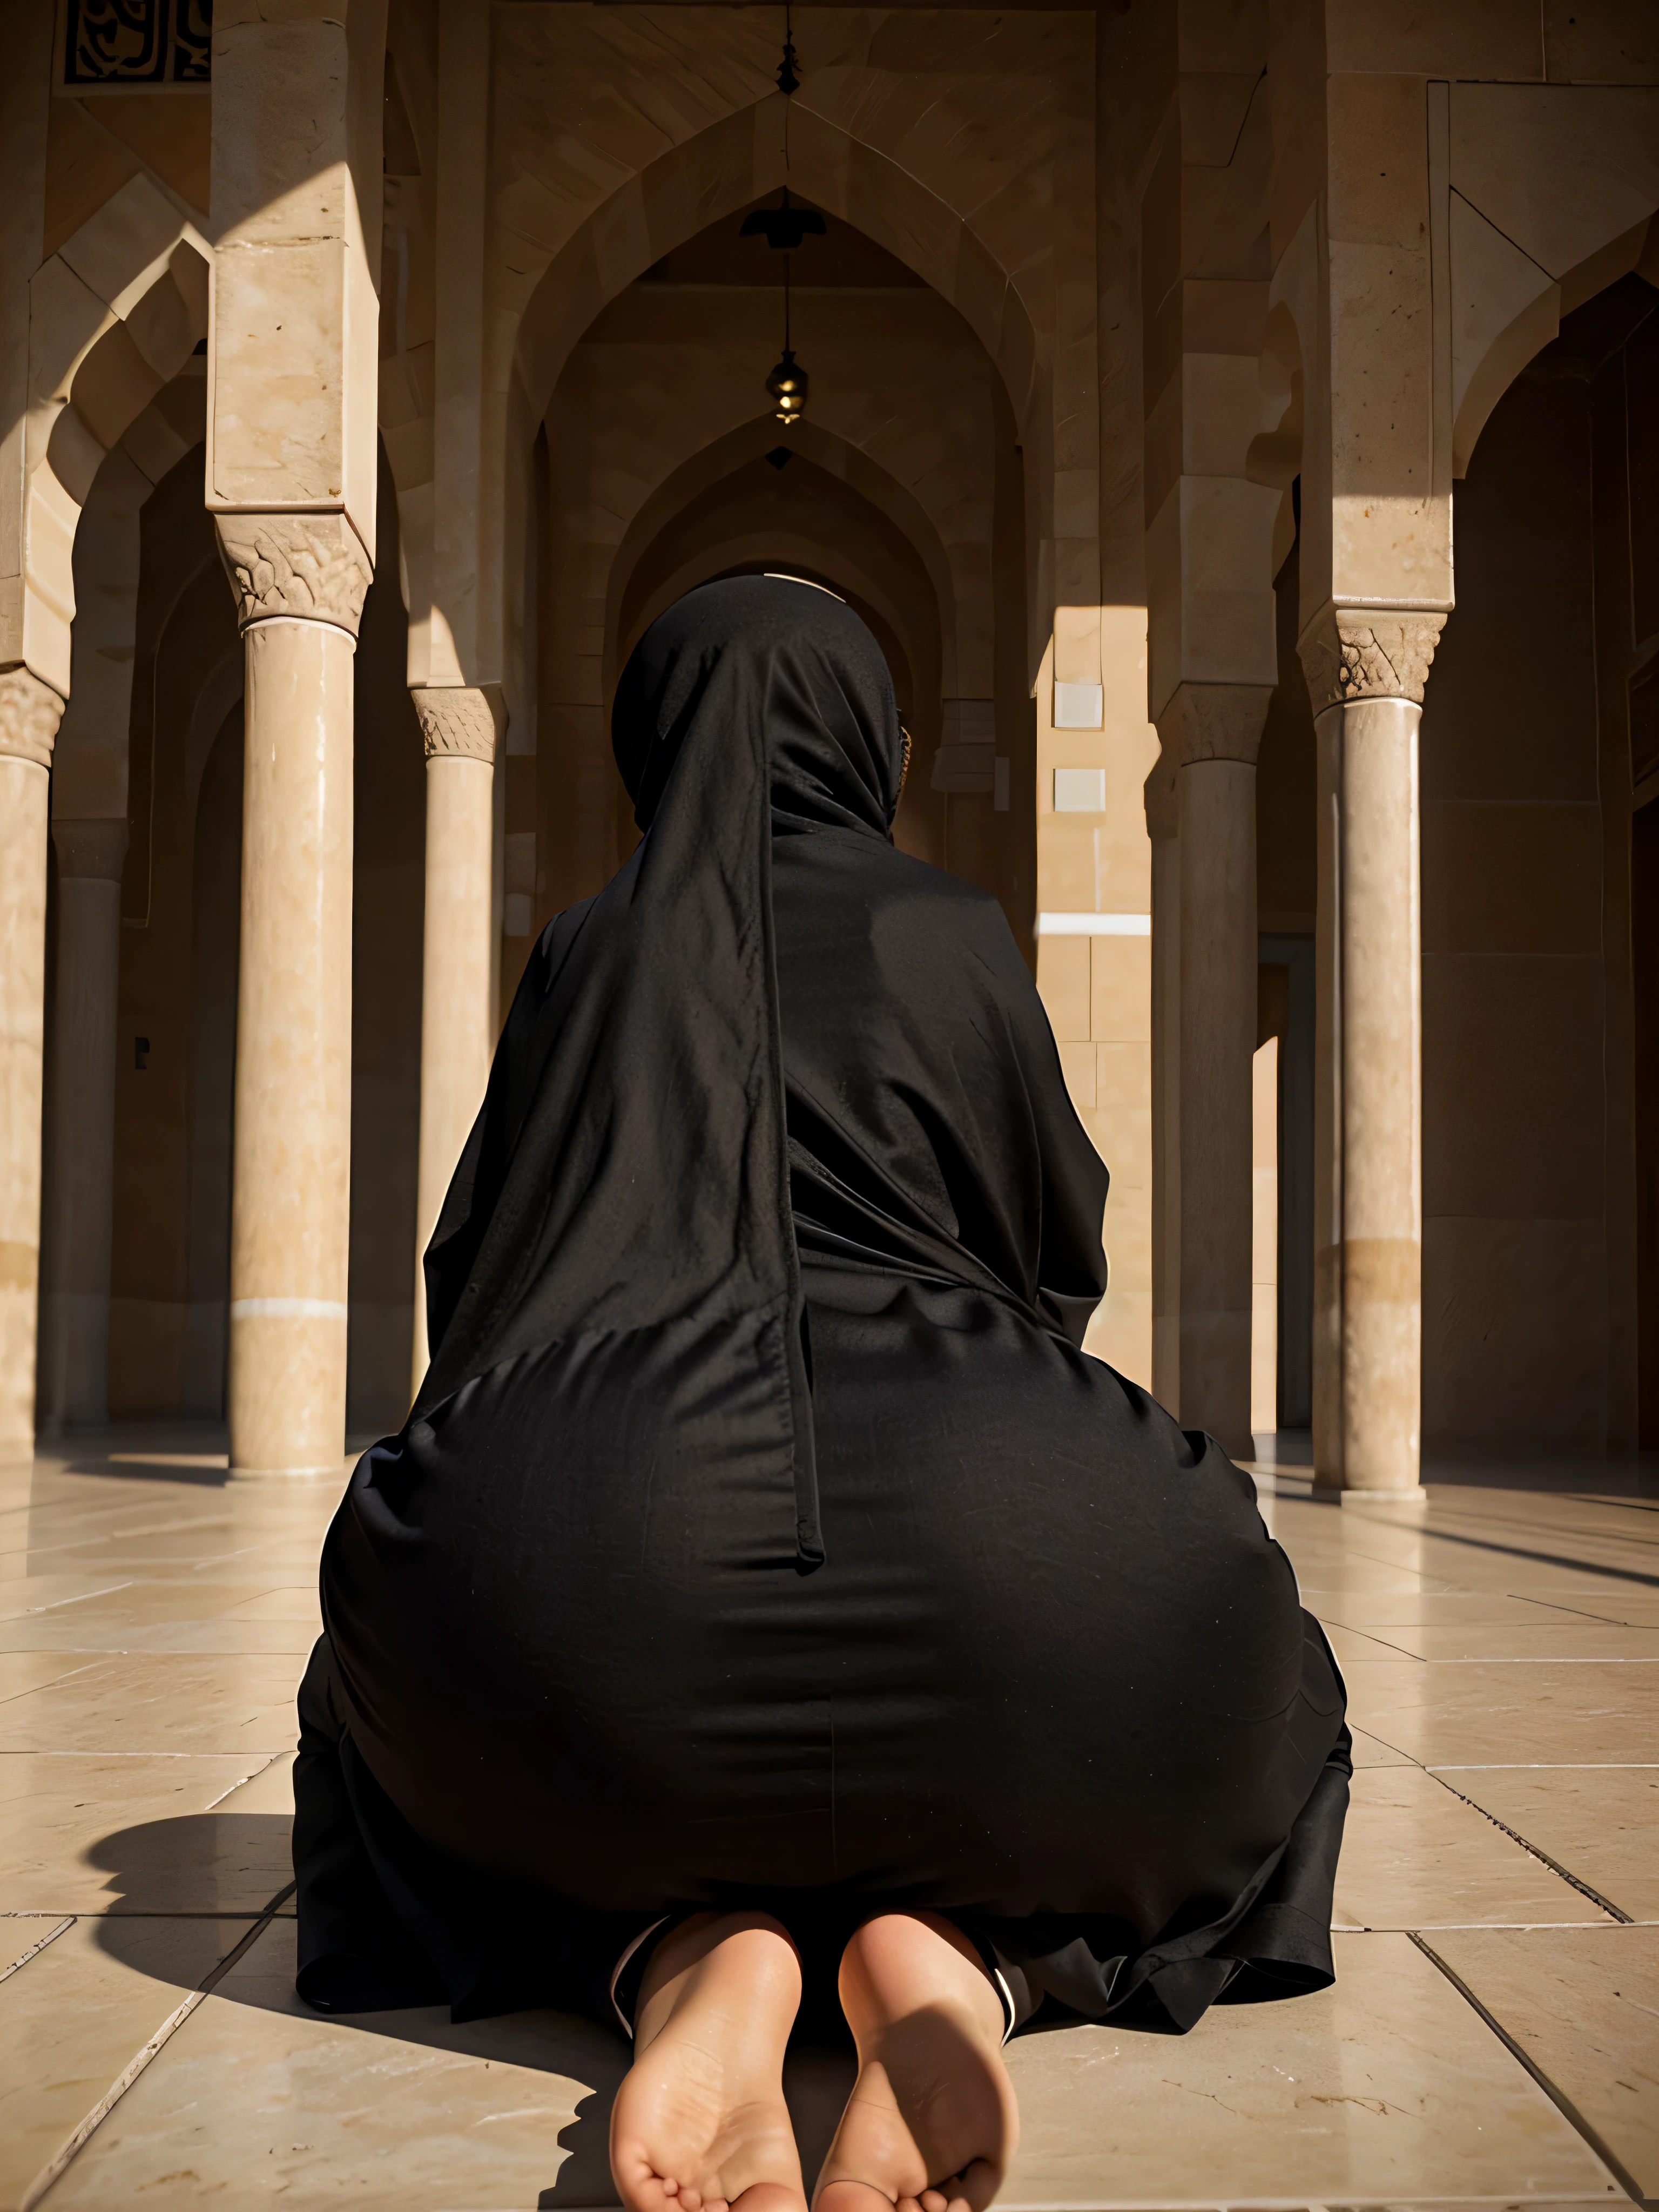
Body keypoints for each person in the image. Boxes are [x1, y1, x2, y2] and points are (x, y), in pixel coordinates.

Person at [292, 575, 1350, 2212]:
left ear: (656, 742)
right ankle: (952, 1964)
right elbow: (1053, 1246)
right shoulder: (951, 931)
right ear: (872, 741)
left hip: (598, 1604)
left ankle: (689, 1956)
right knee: (1267, 1642)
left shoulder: (589, 948)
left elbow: (484, 1294)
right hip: (1003, 1575)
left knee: (370, 1658)